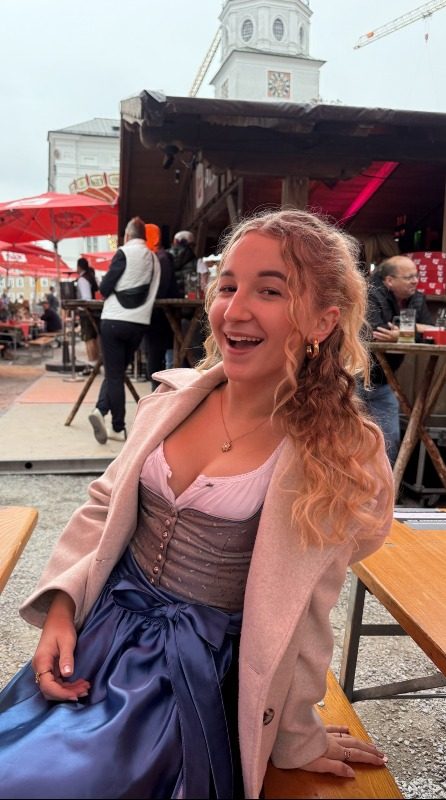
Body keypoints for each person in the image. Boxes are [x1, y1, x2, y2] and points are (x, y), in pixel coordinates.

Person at [0, 209, 394, 800]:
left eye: (270, 291)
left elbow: (304, 607)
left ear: (323, 320)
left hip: (188, 677)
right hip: (100, 632)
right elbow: (103, 506)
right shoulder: (171, 399)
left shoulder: (339, 452)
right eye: (228, 286)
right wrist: (61, 606)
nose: (235, 310)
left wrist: (293, 735)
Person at [88, 216, 160, 444]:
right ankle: (100, 410)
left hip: (113, 319)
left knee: (114, 375)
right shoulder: (154, 258)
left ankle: (118, 427)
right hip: (138, 323)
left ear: (127, 236)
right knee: (117, 373)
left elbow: (104, 288)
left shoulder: (123, 253)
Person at [362, 254, 434, 465]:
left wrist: (402, 333)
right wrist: (415, 330)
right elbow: (376, 332)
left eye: (416, 276)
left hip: (383, 381)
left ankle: (386, 484)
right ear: (389, 280)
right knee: (348, 439)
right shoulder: (371, 294)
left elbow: (431, 333)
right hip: (355, 378)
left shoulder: (416, 298)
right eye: (409, 277)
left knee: (390, 439)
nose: (415, 281)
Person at [143, 222, 178, 389]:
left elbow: (160, 289)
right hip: (161, 315)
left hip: (160, 316)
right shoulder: (158, 257)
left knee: (155, 358)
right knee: (157, 357)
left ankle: (157, 396)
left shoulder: (161, 258)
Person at [76, 256, 101, 372]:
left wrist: (79, 306)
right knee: (94, 337)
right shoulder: (91, 277)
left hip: (86, 312)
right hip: (94, 311)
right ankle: (96, 364)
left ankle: (92, 364)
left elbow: (86, 298)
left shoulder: (83, 279)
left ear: (79, 267)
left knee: (88, 338)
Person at [169, 229, 197, 297]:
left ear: (176, 241)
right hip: (187, 297)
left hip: (168, 296)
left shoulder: (164, 256)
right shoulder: (195, 260)